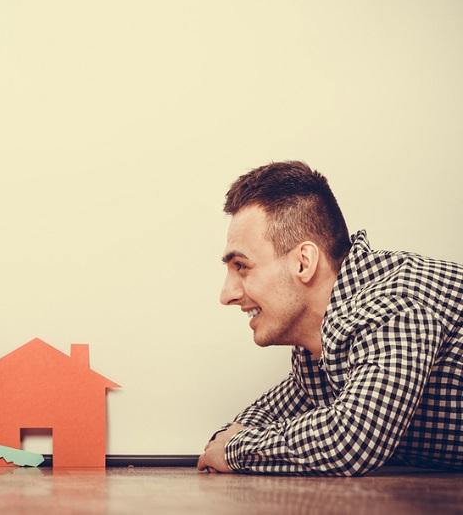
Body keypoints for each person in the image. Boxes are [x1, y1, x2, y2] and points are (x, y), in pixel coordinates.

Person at [198, 161, 463, 476]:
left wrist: (234, 451)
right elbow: (258, 420)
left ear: (304, 262)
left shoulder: (394, 306)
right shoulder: (320, 350)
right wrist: (227, 442)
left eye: (241, 266)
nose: (226, 294)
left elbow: (352, 440)